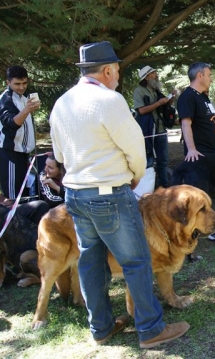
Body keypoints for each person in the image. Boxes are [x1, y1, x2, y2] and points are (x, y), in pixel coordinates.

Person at [49, 41, 189, 348]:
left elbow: (58, 153)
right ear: (108, 70)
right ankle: (151, 329)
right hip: (109, 193)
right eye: (117, 71)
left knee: (91, 262)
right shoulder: (109, 101)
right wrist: (136, 175)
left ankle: (100, 327)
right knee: (137, 260)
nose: (117, 77)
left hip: (75, 194)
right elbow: (136, 149)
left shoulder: (62, 103)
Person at [177, 62, 215, 244]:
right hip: (199, 155)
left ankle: (213, 227)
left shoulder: (203, 97)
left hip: (211, 152)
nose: (211, 78)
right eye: (209, 74)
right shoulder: (188, 96)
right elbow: (186, 124)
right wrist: (192, 149)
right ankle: (199, 229)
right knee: (200, 195)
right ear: (199, 76)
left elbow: (209, 121)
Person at [0, 66, 40, 199]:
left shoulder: (23, 99)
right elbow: (11, 124)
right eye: (17, 84)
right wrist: (26, 110)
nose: (21, 87)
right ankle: (12, 220)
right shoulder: (5, 99)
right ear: (8, 82)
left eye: (24, 83)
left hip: (24, 155)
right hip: (10, 154)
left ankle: (24, 220)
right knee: (13, 197)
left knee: (25, 195)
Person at [133, 65, 173, 188]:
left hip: (160, 129)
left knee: (163, 160)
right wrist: (158, 103)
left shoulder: (156, 90)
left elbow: (162, 106)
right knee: (149, 160)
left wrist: (170, 99)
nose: (156, 75)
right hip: (148, 131)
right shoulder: (139, 91)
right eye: (153, 73)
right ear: (146, 77)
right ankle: (147, 188)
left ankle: (164, 186)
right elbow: (141, 111)